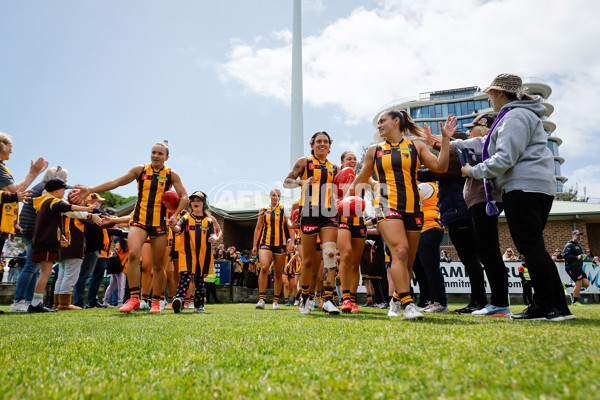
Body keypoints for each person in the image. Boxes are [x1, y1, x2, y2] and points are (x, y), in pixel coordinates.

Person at [461, 73, 573, 321]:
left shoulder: (515, 116)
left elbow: (504, 158)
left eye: (490, 94)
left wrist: (473, 171)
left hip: (522, 187)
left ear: (500, 93)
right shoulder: (518, 115)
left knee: (530, 246)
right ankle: (558, 307)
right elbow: (486, 144)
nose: (489, 99)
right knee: (534, 247)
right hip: (533, 186)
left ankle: (545, 306)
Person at [350, 110, 456, 319]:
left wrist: (445, 139)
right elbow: (360, 180)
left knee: (406, 261)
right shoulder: (374, 150)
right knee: (399, 250)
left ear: (396, 121)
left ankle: (395, 300)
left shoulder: (416, 146)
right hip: (385, 205)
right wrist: (343, 201)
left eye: (382, 121)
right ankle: (408, 304)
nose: (378, 125)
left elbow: (441, 167)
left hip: (412, 208)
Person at [75, 140, 188, 314]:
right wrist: (90, 189)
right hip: (139, 220)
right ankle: (134, 298)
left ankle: (155, 302)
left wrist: (174, 215)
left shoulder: (172, 175)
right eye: (153, 152)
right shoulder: (140, 170)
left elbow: (184, 197)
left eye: (160, 153)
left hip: (159, 223)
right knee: (134, 255)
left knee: (158, 266)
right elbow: (116, 182)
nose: (156, 156)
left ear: (167, 157)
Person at [428, 114, 512, 317]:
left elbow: (442, 167)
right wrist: (436, 142)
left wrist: (435, 143)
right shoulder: (469, 152)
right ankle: (481, 301)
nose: (468, 132)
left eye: (472, 128)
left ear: (482, 131)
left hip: (466, 210)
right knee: (478, 256)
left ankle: (487, 301)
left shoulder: (472, 150)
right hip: (465, 207)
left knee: (478, 256)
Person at [284, 131, 340, 315]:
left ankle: (328, 299)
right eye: (318, 141)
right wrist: (303, 182)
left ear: (330, 145)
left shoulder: (335, 168)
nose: (322, 144)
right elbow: (287, 182)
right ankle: (305, 298)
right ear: (312, 144)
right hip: (308, 211)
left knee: (330, 255)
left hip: (329, 213)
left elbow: (339, 191)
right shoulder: (304, 162)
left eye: (325, 141)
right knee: (307, 262)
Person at [29, 179, 95, 312]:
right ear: (57, 190)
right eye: (63, 189)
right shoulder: (52, 201)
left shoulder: (44, 203)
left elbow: (52, 224)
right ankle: (36, 304)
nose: (64, 192)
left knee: (48, 273)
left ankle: (38, 303)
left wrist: (59, 237)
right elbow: (67, 207)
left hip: (44, 241)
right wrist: (87, 209)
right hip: (46, 243)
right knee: (46, 273)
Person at [10, 166, 68, 312]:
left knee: (35, 268)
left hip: (30, 230)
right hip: (34, 232)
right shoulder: (45, 191)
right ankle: (19, 301)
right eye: (64, 179)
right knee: (31, 266)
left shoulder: (40, 187)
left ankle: (31, 301)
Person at [336, 150, 377, 314]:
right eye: (349, 159)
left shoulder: (363, 176)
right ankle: (345, 299)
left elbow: (375, 185)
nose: (352, 161)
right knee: (345, 255)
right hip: (342, 220)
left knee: (355, 262)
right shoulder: (336, 177)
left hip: (359, 222)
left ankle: (352, 300)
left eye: (354, 159)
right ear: (342, 162)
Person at [171, 191, 222, 313]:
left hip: (203, 255)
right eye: (193, 200)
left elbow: (214, 234)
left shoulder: (208, 221)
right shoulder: (186, 218)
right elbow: (178, 228)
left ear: (204, 204)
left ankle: (199, 305)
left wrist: (214, 238)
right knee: (185, 277)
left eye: (198, 200)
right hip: (187, 254)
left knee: (199, 281)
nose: (195, 202)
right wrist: (173, 225)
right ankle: (179, 300)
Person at [252, 189, 294, 310]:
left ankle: (276, 301)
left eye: (278, 195)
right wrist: (255, 245)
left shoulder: (284, 210)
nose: (276, 197)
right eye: (274, 195)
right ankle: (261, 299)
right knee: (264, 268)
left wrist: (293, 242)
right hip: (265, 242)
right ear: (270, 196)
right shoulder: (263, 210)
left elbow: (290, 227)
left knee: (278, 273)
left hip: (280, 244)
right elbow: (258, 228)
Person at [562, 230, 590, 307]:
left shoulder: (578, 245)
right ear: (572, 236)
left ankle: (567, 285)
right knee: (578, 283)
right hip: (572, 267)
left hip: (579, 268)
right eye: (577, 235)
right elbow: (565, 256)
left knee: (586, 284)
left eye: (579, 235)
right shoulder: (569, 245)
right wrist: (576, 257)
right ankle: (574, 302)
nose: (578, 236)